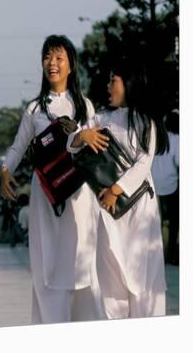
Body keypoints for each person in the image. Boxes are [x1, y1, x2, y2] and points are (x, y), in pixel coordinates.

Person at [0, 35, 100, 323]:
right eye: (47, 57)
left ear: (71, 65)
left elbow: (94, 150)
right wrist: (6, 170)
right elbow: (19, 146)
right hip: (45, 194)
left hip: (78, 195)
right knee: (48, 262)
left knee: (80, 261)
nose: (52, 63)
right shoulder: (34, 108)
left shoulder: (85, 107)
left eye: (59, 58)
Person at [68, 58, 169, 318]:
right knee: (111, 276)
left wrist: (115, 190)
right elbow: (71, 146)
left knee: (142, 277)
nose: (109, 85)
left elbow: (143, 163)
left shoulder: (145, 121)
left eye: (114, 80)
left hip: (137, 209)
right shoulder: (102, 118)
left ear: (129, 83)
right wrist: (82, 136)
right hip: (109, 212)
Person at [151, 110, 179, 265]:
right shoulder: (177, 140)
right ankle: (170, 255)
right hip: (170, 186)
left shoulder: (157, 137)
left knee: (156, 221)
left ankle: (156, 254)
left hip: (153, 184)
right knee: (173, 222)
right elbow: (179, 163)